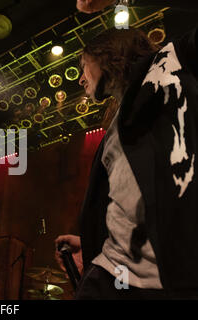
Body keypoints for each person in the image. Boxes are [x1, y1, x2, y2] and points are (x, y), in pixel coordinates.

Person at [55, 0, 198, 299]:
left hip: (166, 281)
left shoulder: (172, 62)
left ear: (105, 53)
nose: (81, 78)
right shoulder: (117, 122)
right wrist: (96, 239)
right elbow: (130, 195)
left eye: (83, 66)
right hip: (112, 272)